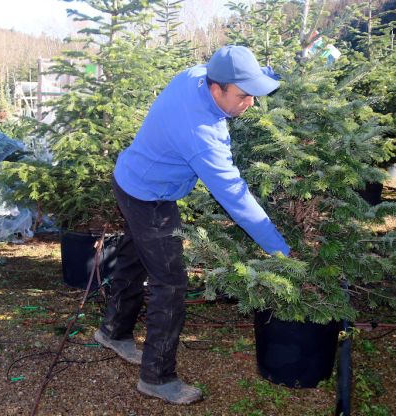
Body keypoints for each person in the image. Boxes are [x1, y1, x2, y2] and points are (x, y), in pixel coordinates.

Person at [93, 45, 290, 405]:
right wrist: (280, 249)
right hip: (150, 198)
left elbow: (232, 69)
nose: (250, 104)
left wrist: (266, 74)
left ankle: (112, 331)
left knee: (133, 257)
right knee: (170, 283)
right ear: (217, 91)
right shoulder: (201, 134)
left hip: (128, 177)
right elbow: (236, 197)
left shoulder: (196, 76)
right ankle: (157, 377)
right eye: (244, 96)